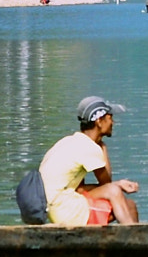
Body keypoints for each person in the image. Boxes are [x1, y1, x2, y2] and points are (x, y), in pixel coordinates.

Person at [37, 96, 140, 225]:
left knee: (128, 204)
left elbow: (79, 189)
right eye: (110, 118)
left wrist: (118, 184)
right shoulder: (89, 147)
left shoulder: (68, 142)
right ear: (99, 121)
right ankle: (134, 238)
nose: (113, 122)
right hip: (66, 211)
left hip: (52, 209)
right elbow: (107, 184)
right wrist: (103, 147)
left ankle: (124, 239)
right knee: (116, 193)